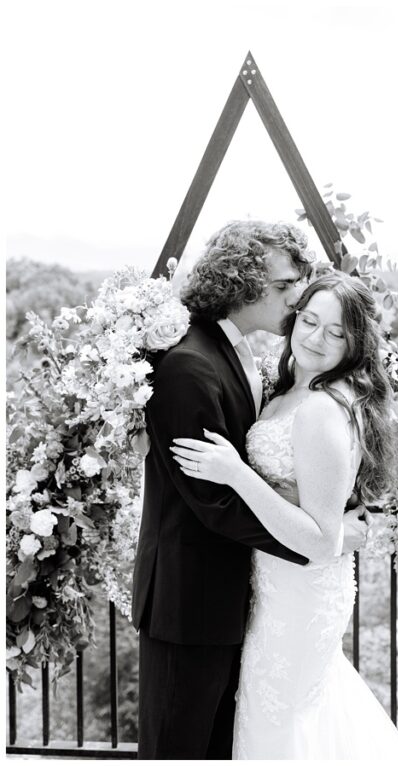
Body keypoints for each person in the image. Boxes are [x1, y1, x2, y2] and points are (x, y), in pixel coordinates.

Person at [170, 272, 398, 760]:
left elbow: (322, 539)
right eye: (309, 321)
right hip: (276, 585)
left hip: (303, 592)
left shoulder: (323, 410)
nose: (315, 338)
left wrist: (238, 475)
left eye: (336, 332)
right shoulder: (289, 392)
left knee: (280, 721)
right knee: (289, 717)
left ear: (355, 343)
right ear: (294, 319)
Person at [131, 221, 316, 759]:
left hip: (228, 599)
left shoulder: (230, 349)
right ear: (239, 282)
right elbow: (213, 501)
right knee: (178, 749)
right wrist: (315, 541)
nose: (295, 298)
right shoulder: (190, 365)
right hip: (188, 605)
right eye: (284, 286)